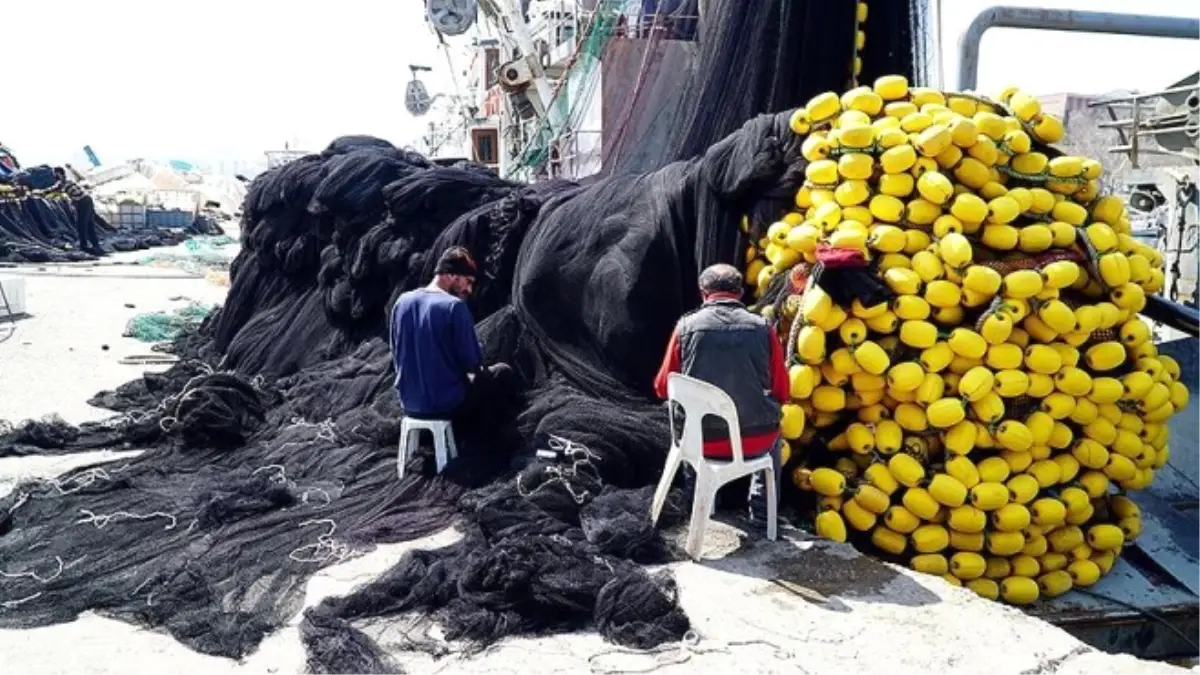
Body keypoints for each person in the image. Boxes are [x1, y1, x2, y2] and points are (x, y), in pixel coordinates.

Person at [653, 263, 789, 521]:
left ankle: (698, 507)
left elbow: (662, 387)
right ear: (739, 293)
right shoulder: (763, 328)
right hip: (755, 441)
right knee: (774, 429)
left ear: (703, 292)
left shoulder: (686, 327)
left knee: (689, 424)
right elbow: (782, 391)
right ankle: (762, 516)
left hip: (702, 443)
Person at [390, 246, 513, 446]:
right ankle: (484, 446)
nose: (469, 290)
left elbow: (396, 355)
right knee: (502, 373)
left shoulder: (402, 302)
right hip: (446, 405)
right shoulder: (454, 307)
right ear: (451, 275)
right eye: (468, 281)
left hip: (409, 403)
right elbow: (473, 363)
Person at [53, 166, 102, 255]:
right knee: (89, 225)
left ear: (59, 174)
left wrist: (39, 192)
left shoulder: (62, 183)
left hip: (82, 202)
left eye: (55, 173)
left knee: (81, 225)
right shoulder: (69, 181)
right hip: (87, 200)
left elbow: (53, 190)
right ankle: (96, 246)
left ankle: (84, 246)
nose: (54, 175)